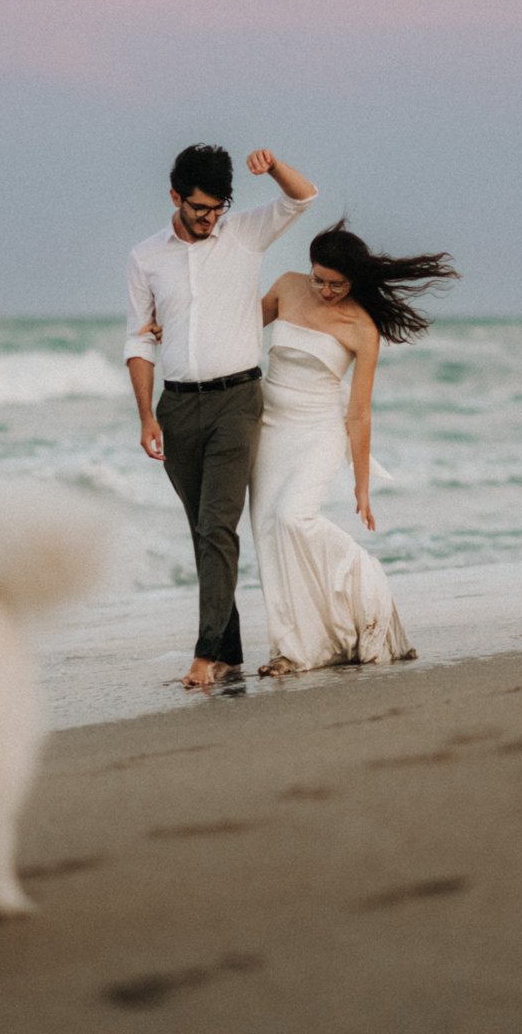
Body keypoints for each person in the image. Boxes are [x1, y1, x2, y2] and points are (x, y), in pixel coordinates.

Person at [125, 144, 317, 689]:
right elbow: (138, 339)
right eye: (200, 209)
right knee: (203, 530)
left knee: (216, 526)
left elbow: (304, 196)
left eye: (218, 208)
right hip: (178, 405)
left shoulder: (246, 232)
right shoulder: (145, 257)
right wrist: (146, 416)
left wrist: (275, 166)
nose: (211, 219)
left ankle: (206, 654)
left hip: (238, 399)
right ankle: (229, 649)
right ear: (175, 198)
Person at [248, 220, 458, 676]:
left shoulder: (362, 328)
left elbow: (359, 413)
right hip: (270, 427)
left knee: (293, 517)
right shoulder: (287, 287)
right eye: (319, 279)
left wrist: (362, 485)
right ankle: (291, 649)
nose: (325, 290)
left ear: (354, 280)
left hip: (320, 428)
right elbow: (239, 330)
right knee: (267, 534)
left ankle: (363, 580)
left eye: (336, 284)